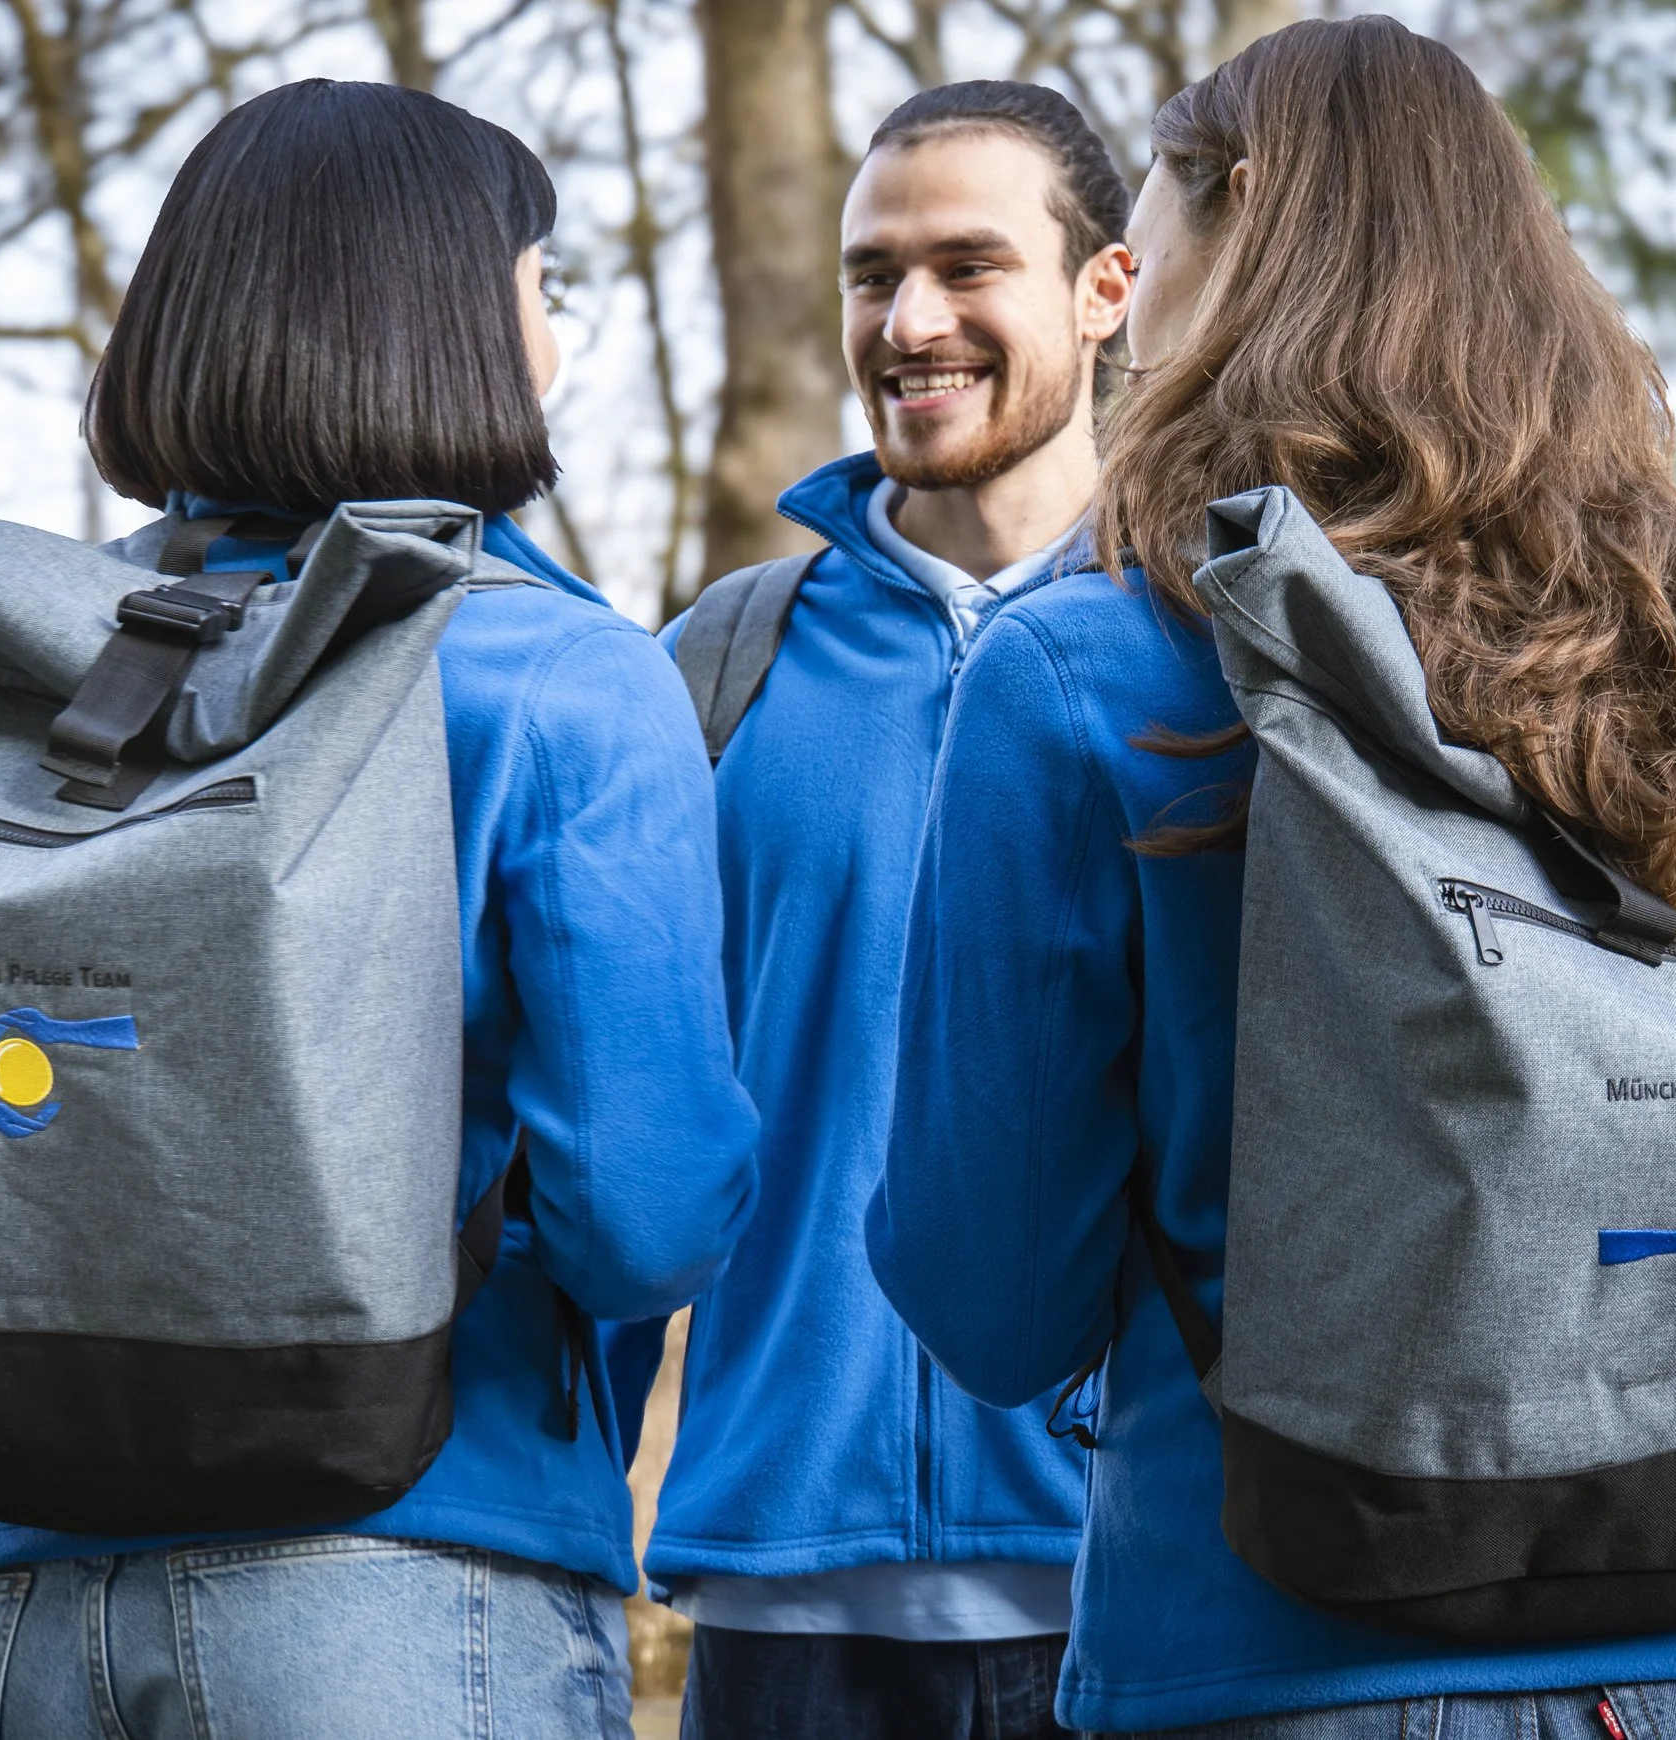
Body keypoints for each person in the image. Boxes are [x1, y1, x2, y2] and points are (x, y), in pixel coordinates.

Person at [868, 19, 1676, 1737]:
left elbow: (991, 1301)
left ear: (1237, 225)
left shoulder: (1088, 672)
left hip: (1281, 1654)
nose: (1132, 293)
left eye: (1153, 243)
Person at [0, 79, 756, 1740]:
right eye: (542, 285)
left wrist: (40, 1399)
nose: (553, 334)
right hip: (408, 1573)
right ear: (455, 324)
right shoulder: (559, 677)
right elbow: (647, 1217)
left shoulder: (13, 680)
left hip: (21, 1610)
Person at [639, 81, 1131, 1740]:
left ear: (1105, 289)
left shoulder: (1219, 646)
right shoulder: (720, 663)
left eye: (968, 267)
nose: (910, 324)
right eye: (873, 275)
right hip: (784, 1601)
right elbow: (625, 1127)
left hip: (1146, 1592)